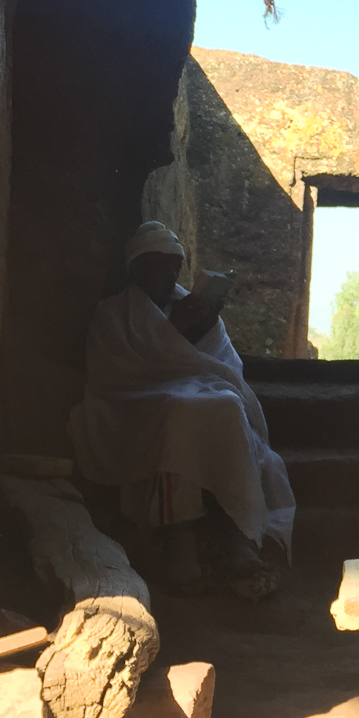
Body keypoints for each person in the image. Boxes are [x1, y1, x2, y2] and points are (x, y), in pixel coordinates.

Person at [71, 222, 296, 594]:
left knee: (227, 404)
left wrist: (205, 326)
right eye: (159, 267)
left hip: (201, 387)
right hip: (139, 397)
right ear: (136, 268)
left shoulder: (187, 304)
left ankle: (239, 531)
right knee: (179, 411)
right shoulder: (113, 313)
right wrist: (173, 328)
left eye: (175, 267)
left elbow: (221, 363)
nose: (170, 275)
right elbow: (114, 371)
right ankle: (180, 535)